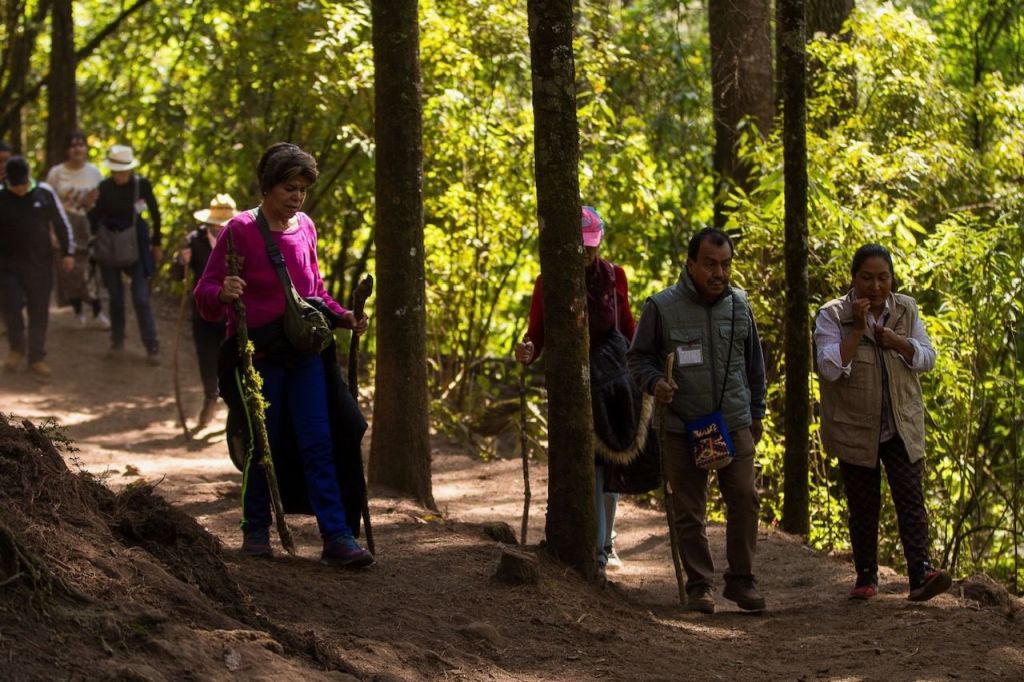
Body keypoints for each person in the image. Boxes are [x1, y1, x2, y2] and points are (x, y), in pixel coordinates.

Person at [194, 142, 373, 568]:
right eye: (289, 188)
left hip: (305, 354)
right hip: (258, 356)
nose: (296, 197)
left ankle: (336, 536)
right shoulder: (238, 231)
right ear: (268, 188)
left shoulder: (306, 227)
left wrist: (342, 316)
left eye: (302, 190)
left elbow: (313, 293)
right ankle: (255, 530)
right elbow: (204, 294)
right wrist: (223, 292)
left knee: (319, 441)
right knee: (264, 442)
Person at [627, 227, 767, 613]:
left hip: (734, 420)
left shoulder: (740, 306)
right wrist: (656, 384)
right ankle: (699, 585)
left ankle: (741, 580)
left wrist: (757, 412)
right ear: (691, 265)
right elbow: (638, 358)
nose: (718, 273)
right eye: (709, 264)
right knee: (689, 509)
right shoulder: (661, 306)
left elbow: (755, 365)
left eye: (724, 265)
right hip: (680, 425)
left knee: (744, 496)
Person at [814, 243, 952, 602]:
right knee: (863, 503)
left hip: (900, 423)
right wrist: (857, 331)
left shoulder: (906, 309)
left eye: (883, 278)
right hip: (855, 426)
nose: (876, 287)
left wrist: (899, 343)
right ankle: (866, 576)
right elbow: (828, 368)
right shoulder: (832, 315)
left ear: (892, 279)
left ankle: (921, 573)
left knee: (910, 496)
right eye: (867, 278)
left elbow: (928, 358)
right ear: (853, 279)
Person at [515, 206, 644, 577]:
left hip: (612, 385)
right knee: (588, 467)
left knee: (611, 465)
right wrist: (527, 350)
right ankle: (596, 553)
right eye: (580, 246)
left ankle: (606, 544)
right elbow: (536, 333)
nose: (585, 253)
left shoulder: (615, 277)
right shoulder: (549, 281)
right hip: (572, 388)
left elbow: (628, 326)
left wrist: (643, 367)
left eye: (590, 246)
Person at [0, 157, 76, 378]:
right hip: (7, 266)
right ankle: (16, 348)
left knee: (39, 311)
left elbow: (62, 223)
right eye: (16, 185)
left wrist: (68, 252)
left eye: (23, 184)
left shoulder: (45, 193)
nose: (20, 189)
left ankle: (36, 357)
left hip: (39, 265)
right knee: (11, 307)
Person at [87, 144, 162, 364]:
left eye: (122, 170)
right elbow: (94, 220)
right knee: (116, 298)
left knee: (141, 298)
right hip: (109, 248)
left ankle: (152, 346)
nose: (118, 175)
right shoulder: (104, 188)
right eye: (115, 170)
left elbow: (156, 214)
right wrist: (90, 206)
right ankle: (117, 342)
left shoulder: (142, 185)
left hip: (136, 246)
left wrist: (156, 243)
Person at [173, 194, 236, 429]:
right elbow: (177, 275)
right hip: (203, 312)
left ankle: (234, 407)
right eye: (216, 224)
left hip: (233, 313)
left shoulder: (240, 239)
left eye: (224, 223)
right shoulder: (194, 240)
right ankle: (211, 397)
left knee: (232, 360)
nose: (220, 228)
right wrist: (181, 262)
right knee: (207, 359)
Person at [45, 131, 109, 329]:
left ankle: (97, 310)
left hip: (88, 226)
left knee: (90, 270)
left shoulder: (94, 172)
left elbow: (102, 203)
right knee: (69, 271)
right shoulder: (56, 173)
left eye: (81, 145)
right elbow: (47, 203)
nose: (77, 149)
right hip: (65, 226)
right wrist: (51, 233)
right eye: (73, 145)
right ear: (66, 150)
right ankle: (78, 310)